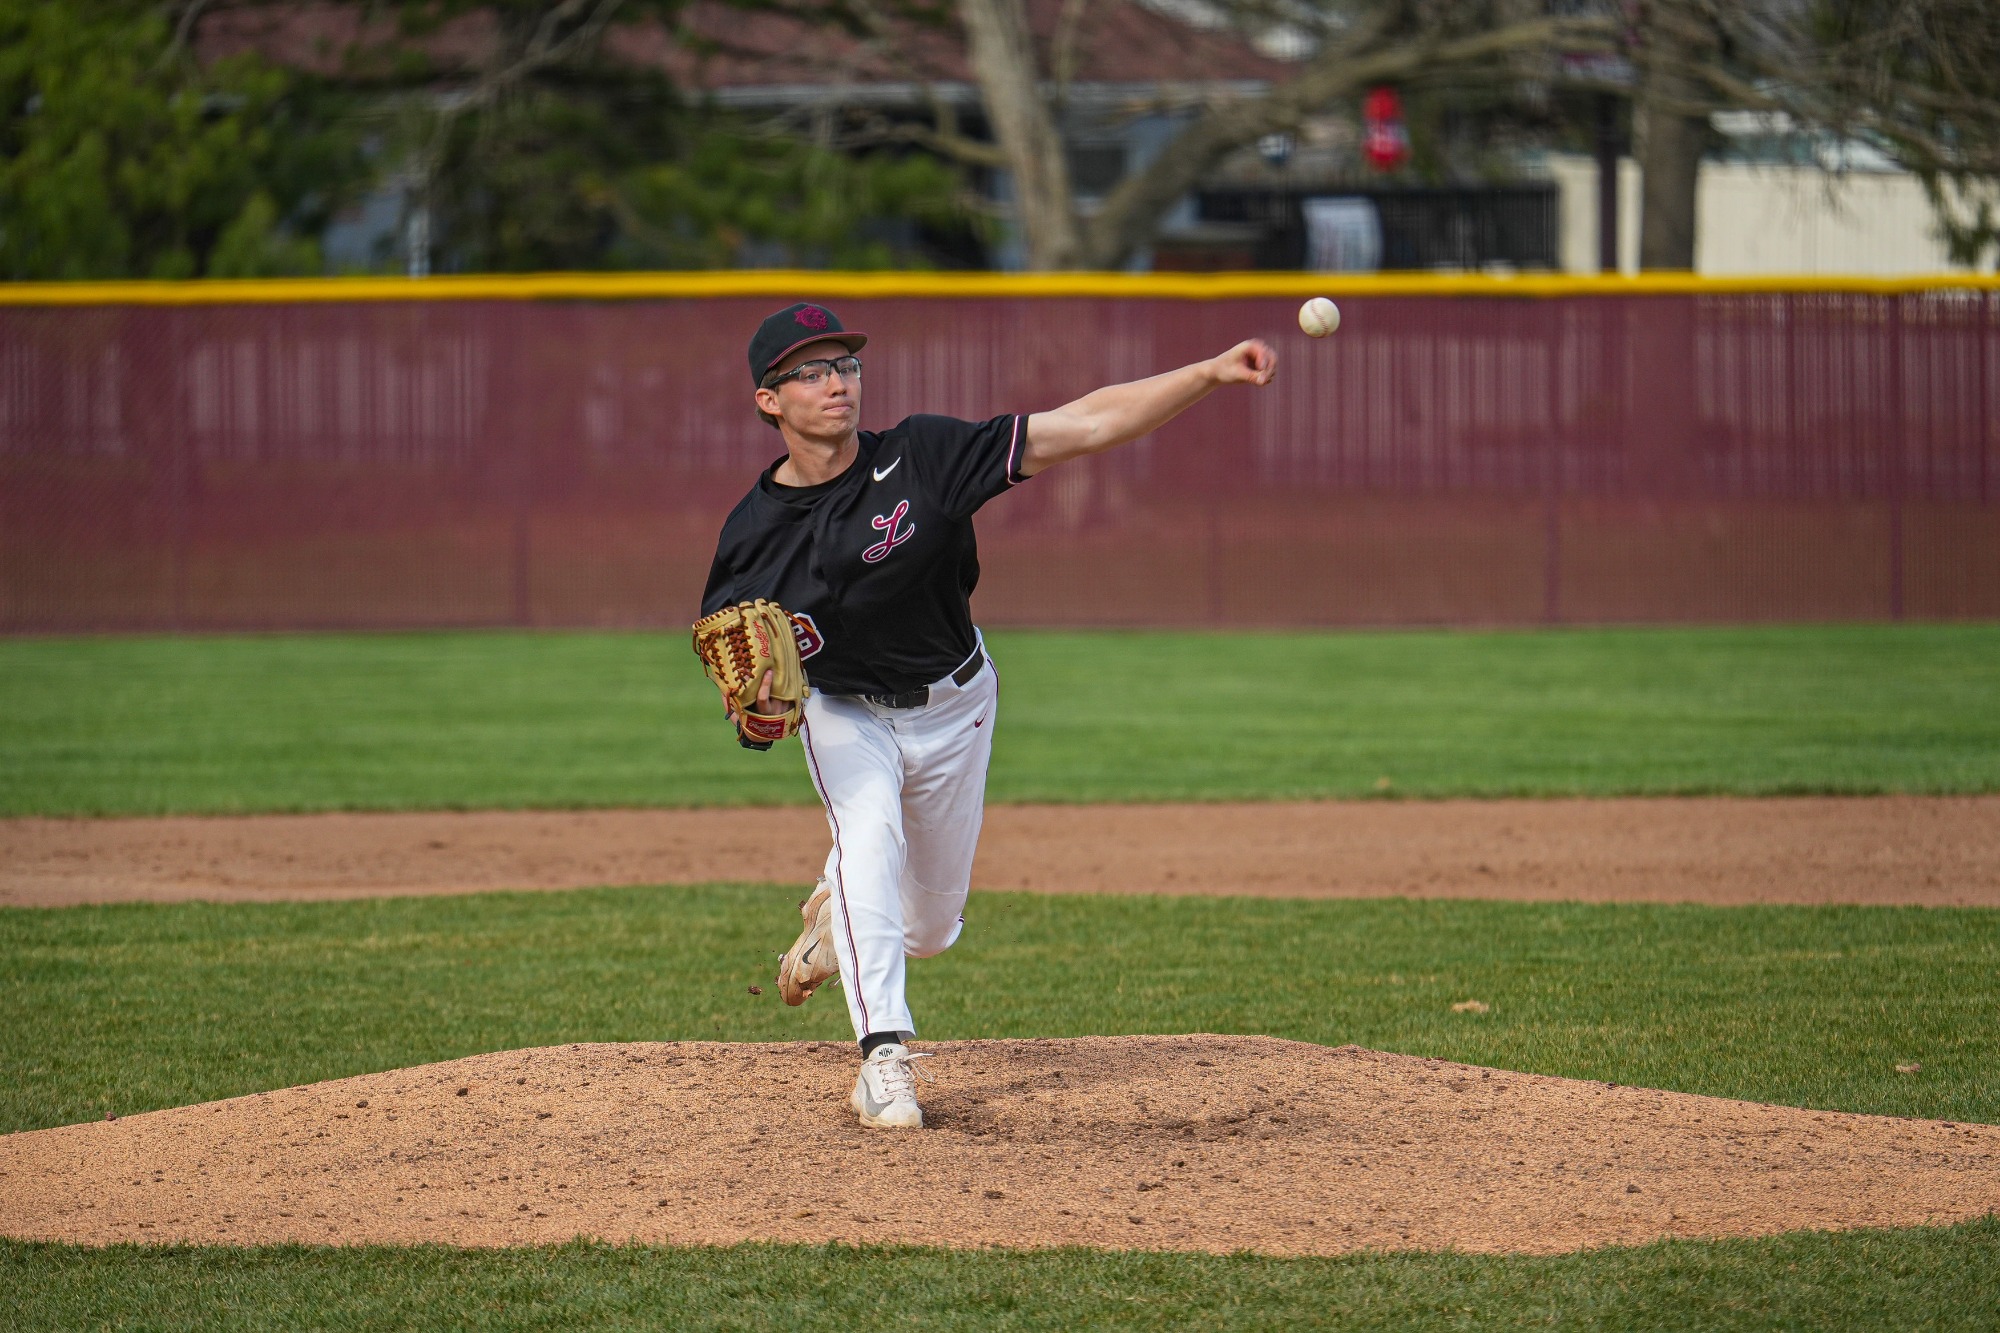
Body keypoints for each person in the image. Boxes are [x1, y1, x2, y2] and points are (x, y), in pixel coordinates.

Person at [699, 302, 1276, 1129]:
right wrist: (756, 707)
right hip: (843, 709)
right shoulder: (750, 535)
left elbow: (1084, 425)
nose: (838, 383)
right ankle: (883, 1059)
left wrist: (1209, 372)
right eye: (812, 371)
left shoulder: (923, 456)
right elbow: (739, 670)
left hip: (956, 703)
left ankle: (837, 919)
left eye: (846, 365)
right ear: (769, 399)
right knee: (868, 833)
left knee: (930, 927)